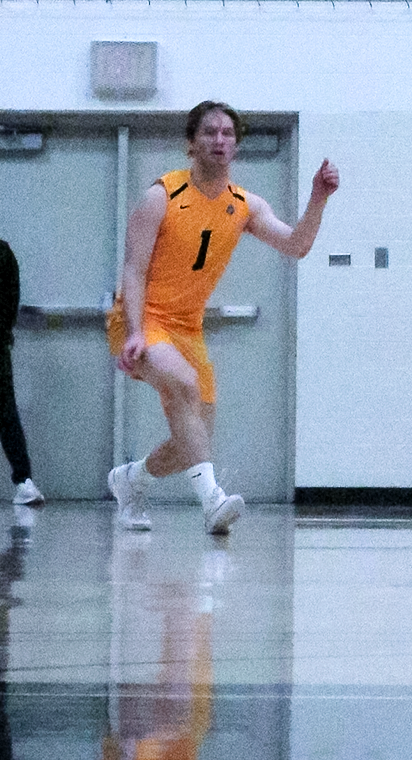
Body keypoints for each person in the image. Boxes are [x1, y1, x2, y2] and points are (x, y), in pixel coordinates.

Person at [106, 102, 339, 535]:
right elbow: (133, 270)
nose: (219, 140)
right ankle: (212, 502)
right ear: (190, 144)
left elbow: (297, 245)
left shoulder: (244, 205)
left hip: (187, 328)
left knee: (191, 441)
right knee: (184, 384)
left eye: (227, 133)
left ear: (236, 145)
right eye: (209, 132)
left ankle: (132, 480)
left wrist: (318, 199)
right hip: (140, 319)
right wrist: (136, 331)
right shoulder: (162, 196)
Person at [0, 238, 40, 506]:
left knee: (6, 414)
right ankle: (24, 481)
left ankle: (25, 482)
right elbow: (11, 301)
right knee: (6, 414)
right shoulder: (3, 253)